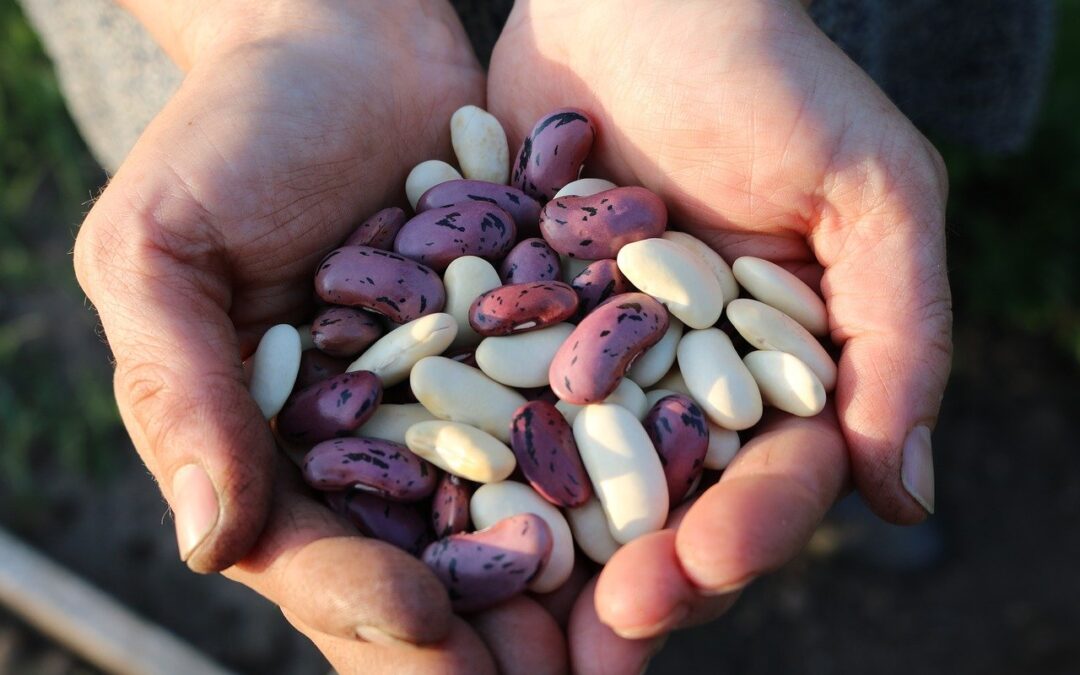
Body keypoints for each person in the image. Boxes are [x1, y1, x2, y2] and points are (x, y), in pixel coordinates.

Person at [32, 0, 1047, 671]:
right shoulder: (452, 307)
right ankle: (844, 486)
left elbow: (561, 350)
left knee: (829, 386)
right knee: (790, 415)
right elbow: (498, 352)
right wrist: (274, 18)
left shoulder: (581, 279)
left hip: (704, 54)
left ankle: (850, 491)